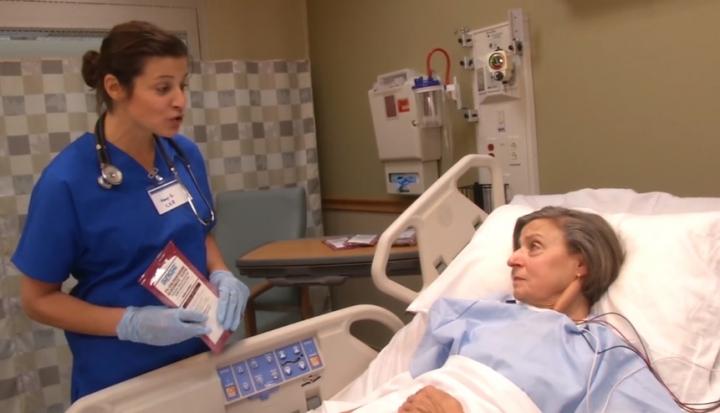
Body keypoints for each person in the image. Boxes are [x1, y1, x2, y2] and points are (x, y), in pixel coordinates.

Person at [11, 21, 250, 402]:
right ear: (114, 87)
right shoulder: (66, 182)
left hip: (198, 357)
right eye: (163, 87)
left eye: (182, 85)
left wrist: (221, 273)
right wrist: (132, 323)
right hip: (122, 375)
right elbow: (37, 299)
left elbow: (198, 229)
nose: (180, 101)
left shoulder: (184, 156)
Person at [331, 207, 680, 413]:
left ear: (580, 264)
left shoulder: (601, 353)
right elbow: (414, 377)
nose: (512, 258)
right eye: (518, 248)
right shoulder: (475, 312)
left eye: (534, 247)